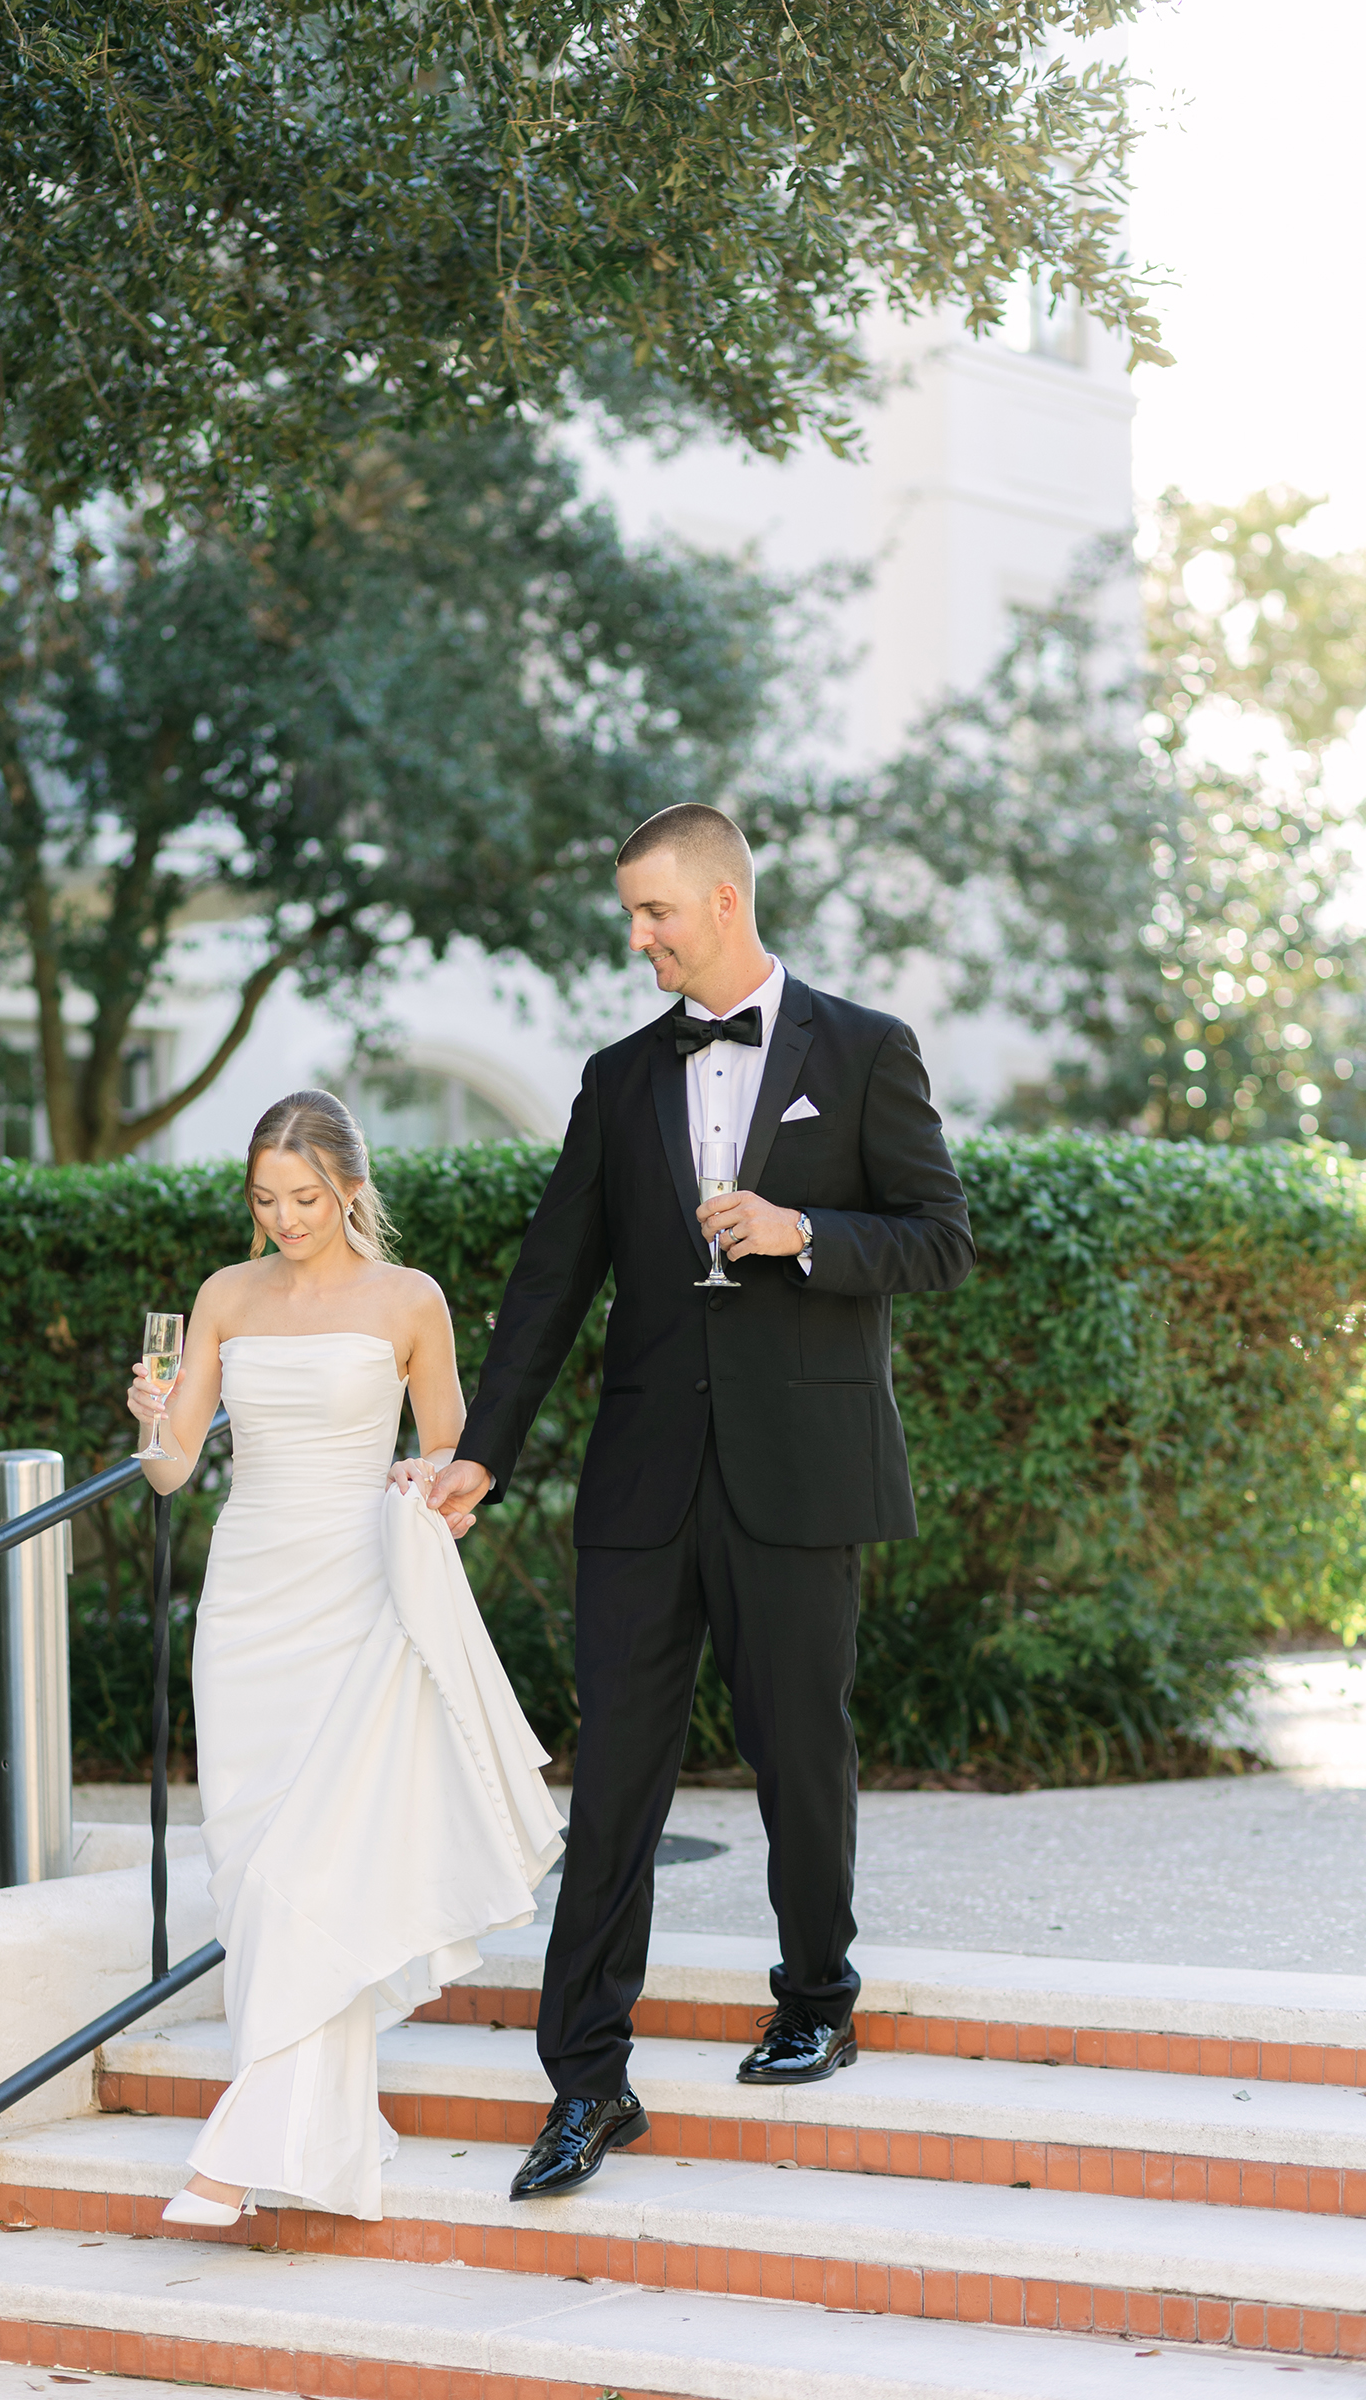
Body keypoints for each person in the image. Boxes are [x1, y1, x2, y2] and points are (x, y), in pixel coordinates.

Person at [429, 803, 974, 2201]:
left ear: (723, 903)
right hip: (641, 1486)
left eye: (654, 912)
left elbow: (939, 1241)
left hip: (803, 1472)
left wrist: (803, 1233)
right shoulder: (617, 1079)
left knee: (802, 1750)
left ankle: (815, 1999)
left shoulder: (865, 1050)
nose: (638, 936)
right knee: (613, 1782)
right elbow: (553, 1278)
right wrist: (483, 1449)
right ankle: (587, 2083)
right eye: (631, 912)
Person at [127, 1089, 564, 2226]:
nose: (285, 1218)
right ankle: (313, 2131)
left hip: (356, 1600)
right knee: (252, 1868)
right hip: (246, 1606)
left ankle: (235, 2155)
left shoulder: (410, 1302)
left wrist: (425, 1485)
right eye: (266, 1200)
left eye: (306, 1198)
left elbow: (450, 1463)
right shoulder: (224, 1295)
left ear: (352, 1188)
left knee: (307, 1872)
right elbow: (173, 1473)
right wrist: (151, 1420)